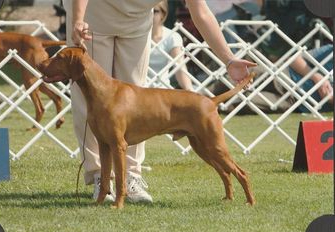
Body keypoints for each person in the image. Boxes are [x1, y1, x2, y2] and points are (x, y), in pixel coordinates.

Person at [63, 0, 256, 203]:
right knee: (94, 101)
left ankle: (132, 176)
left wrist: (229, 59)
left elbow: (201, 12)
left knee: (138, 105)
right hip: (92, 17)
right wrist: (77, 19)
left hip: (135, 22)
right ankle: (99, 178)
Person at [149, 1, 193, 91]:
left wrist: (191, 92)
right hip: (136, 90)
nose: (150, 15)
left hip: (162, 91)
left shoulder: (172, 37)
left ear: (163, 14)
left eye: (155, 11)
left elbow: (180, 69)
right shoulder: (132, 37)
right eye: (147, 11)